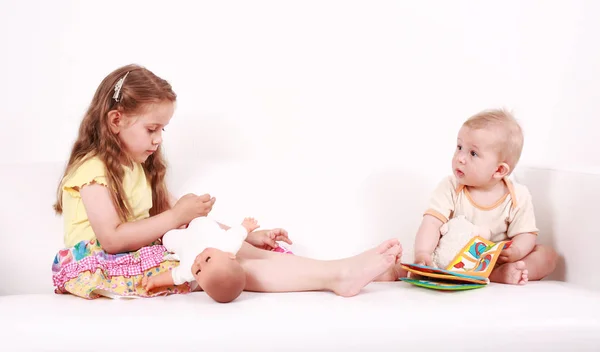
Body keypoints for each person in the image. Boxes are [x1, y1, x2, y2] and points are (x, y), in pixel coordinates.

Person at [51, 63, 403, 299]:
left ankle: (345, 270)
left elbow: (187, 219)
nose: (158, 139)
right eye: (151, 129)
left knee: (234, 247)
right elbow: (112, 240)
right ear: (115, 120)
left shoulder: (139, 168)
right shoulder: (91, 168)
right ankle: (336, 277)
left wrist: (243, 232)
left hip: (143, 252)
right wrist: (176, 217)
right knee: (225, 263)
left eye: (162, 130)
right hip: (101, 266)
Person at [412, 108, 558, 285]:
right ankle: (482, 275)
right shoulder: (451, 187)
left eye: (472, 153)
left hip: (494, 262)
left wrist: (517, 251)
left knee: (548, 255)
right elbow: (431, 223)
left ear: (499, 170)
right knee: (419, 255)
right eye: (459, 147)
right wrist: (423, 254)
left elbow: (526, 234)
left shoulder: (517, 196)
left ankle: (503, 273)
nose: (460, 158)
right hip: (454, 260)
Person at [142, 217, 261, 303]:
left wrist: (154, 281)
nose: (198, 262)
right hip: (198, 224)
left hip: (180, 239)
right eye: (208, 259)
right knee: (200, 220)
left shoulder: (188, 271)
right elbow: (238, 233)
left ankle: (171, 231)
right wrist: (246, 226)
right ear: (230, 255)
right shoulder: (227, 245)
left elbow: (173, 277)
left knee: (167, 238)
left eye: (198, 271)